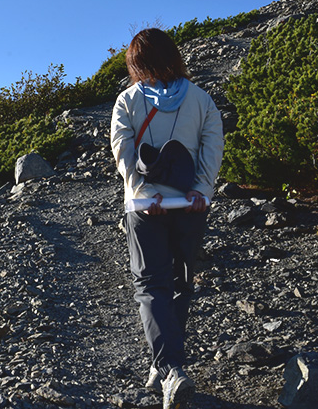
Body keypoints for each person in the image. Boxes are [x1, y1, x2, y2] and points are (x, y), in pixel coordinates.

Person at [110, 28, 224, 408]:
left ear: (136, 63)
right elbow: (213, 144)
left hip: (146, 209)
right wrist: (201, 190)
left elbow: (123, 153)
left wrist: (144, 193)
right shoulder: (201, 99)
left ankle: (170, 368)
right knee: (181, 283)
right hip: (190, 206)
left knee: (151, 285)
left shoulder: (126, 101)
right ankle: (167, 364)